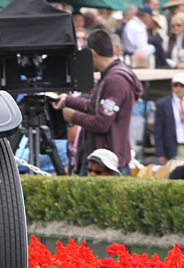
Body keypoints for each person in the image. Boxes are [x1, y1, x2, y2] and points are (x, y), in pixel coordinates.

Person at [52, 29, 143, 175]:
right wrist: (67, 100)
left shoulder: (115, 81)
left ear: (92, 53)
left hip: (108, 164)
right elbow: (94, 107)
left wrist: (73, 116)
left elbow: (101, 123)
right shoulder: (110, 76)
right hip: (102, 158)